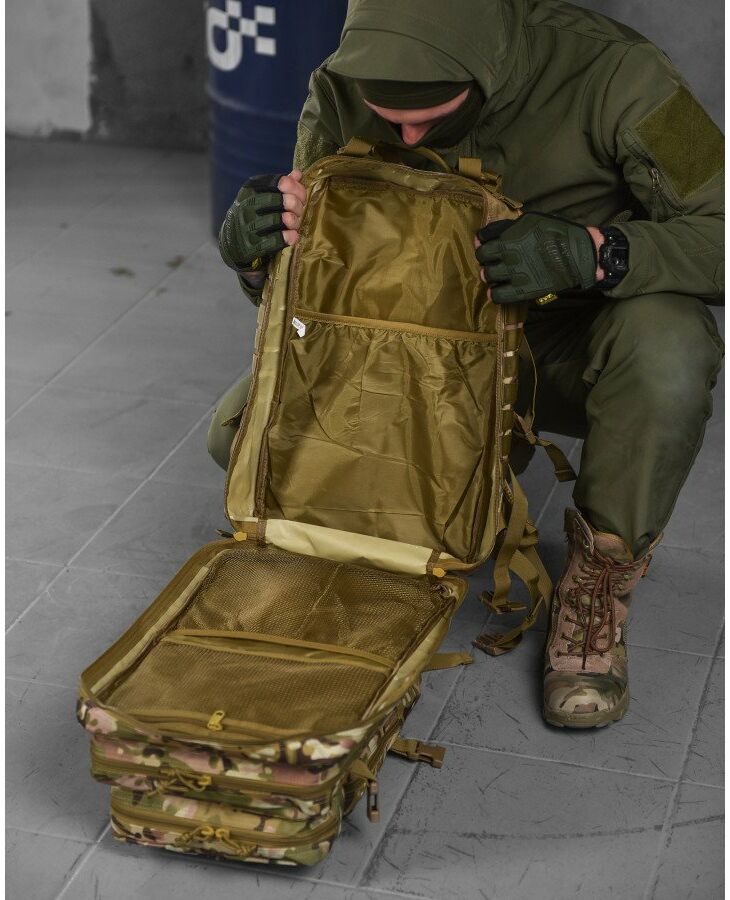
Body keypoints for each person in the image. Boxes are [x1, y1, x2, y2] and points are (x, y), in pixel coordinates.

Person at [209, 0, 724, 729]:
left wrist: (598, 253)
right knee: (236, 440)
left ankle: (599, 579)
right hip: (421, 353)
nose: (408, 137)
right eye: (390, 120)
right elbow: (315, 282)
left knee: (670, 343)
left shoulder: (621, 74)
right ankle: (439, 488)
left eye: (430, 116)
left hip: (569, 347)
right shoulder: (344, 84)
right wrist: (258, 259)